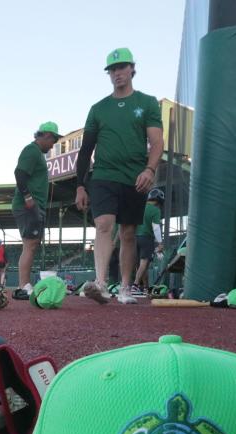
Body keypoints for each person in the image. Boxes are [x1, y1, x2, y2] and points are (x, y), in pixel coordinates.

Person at [75, 48, 164, 305]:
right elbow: (85, 150)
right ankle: (101, 284)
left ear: (132, 69)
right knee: (104, 224)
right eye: (113, 70)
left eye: (122, 67)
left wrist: (149, 170)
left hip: (135, 177)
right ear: (109, 74)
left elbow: (157, 143)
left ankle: (125, 287)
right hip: (103, 174)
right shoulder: (98, 109)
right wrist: (81, 186)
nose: (118, 73)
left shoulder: (146, 103)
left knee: (128, 232)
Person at [11, 121, 61, 299]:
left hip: (32, 205)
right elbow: (19, 173)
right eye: (53, 141)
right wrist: (27, 197)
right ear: (47, 136)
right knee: (30, 245)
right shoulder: (31, 150)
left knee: (31, 245)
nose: (53, 145)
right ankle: (24, 286)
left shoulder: (36, 153)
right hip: (28, 205)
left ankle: (24, 285)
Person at [131, 188, 165, 296]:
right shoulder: (155, 210)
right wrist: (160, 243)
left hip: (135, 237)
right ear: (158, 201)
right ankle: (135, 285)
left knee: (141, 265)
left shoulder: (140, 206)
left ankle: (145, 287)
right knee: (144, 263)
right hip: (146, 238)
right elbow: (156, 228)